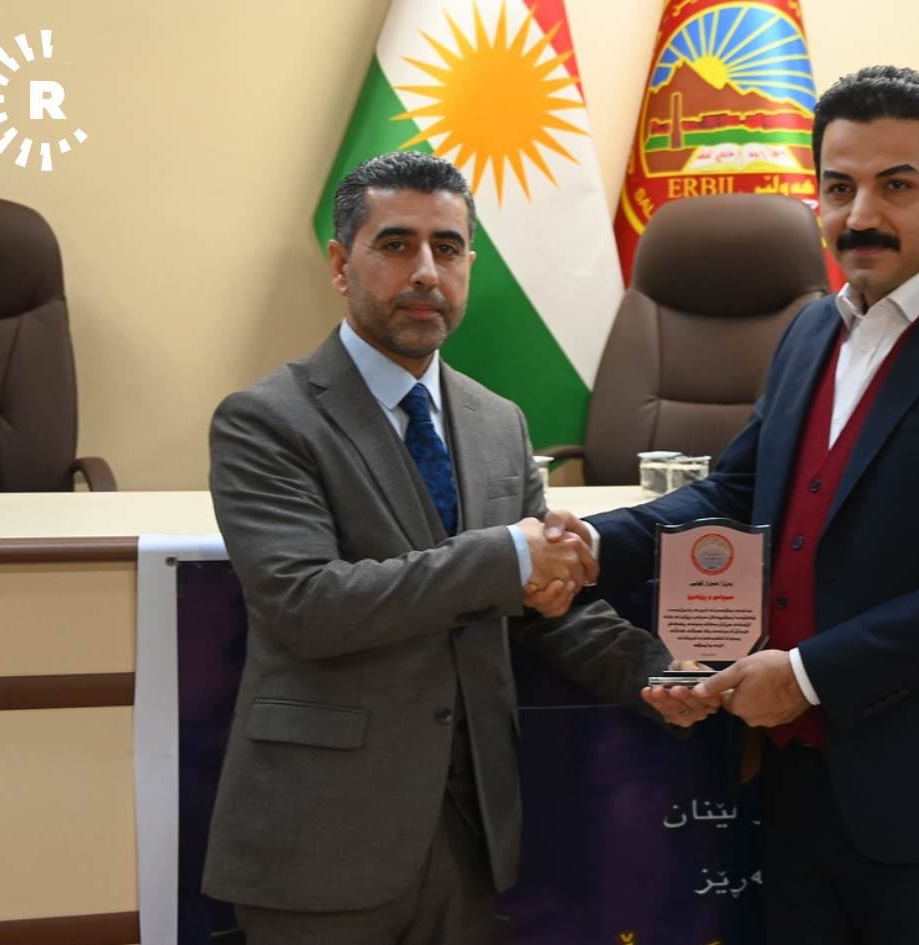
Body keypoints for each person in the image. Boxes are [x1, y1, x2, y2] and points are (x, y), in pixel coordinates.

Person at [572, 66, 919, 944]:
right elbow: (739, 491)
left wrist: (807, 676)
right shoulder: (811, 327)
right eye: (840, 187)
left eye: (898, 186)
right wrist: (588, 544)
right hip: (793, 778)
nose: (861, 215)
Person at [201, 151, 706, 944]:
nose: (426, 272)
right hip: (321, 839)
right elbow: (307, 605)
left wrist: (664, 675)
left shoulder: (498, 421)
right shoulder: (266, 419)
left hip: (470, 831)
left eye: (447, 247)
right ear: (340, 264)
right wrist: (508, 554)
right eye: (396, 244)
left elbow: (545, 606)